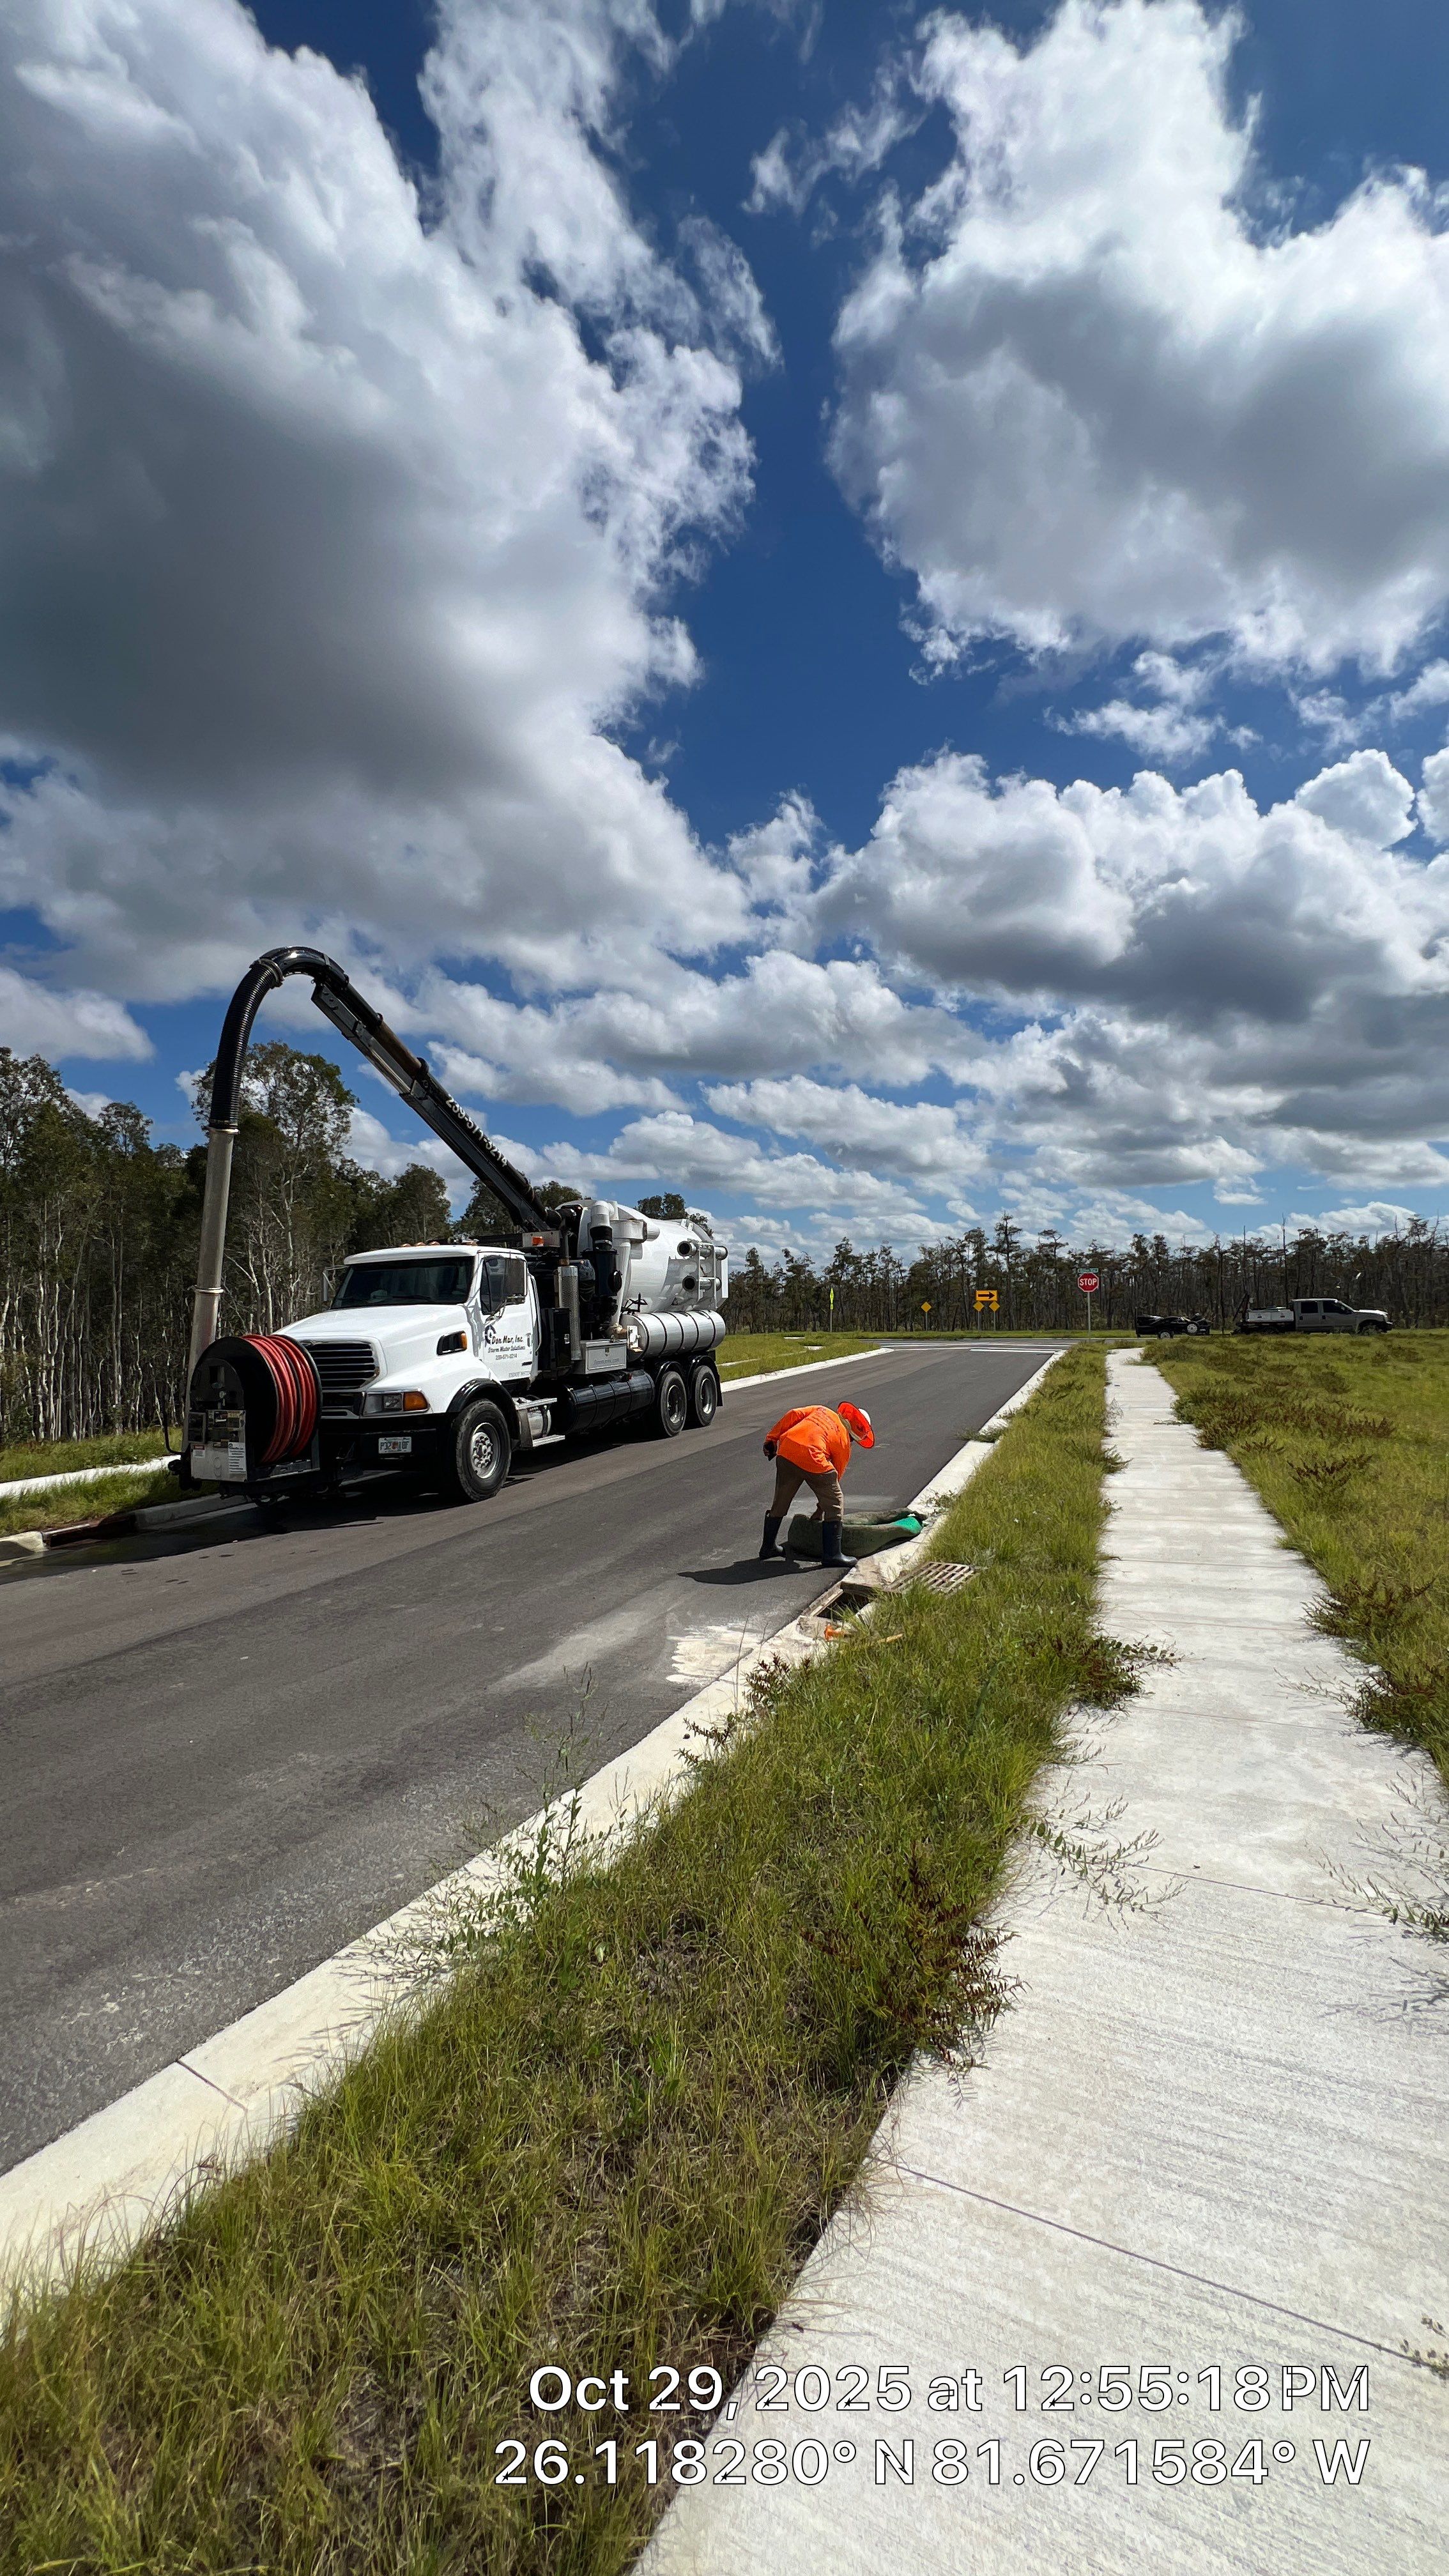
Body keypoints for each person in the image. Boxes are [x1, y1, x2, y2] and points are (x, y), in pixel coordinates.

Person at [758, 1399, 874, 1569]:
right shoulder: (844, 1443)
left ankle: (768, 1548)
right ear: (856, 1436)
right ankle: (832, 1555)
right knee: (835, 1502)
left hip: (787, 1450)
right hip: (814, 1458)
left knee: (781, 1501)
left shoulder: (821, 1410)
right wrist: (821, 1511)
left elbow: (793, 1415)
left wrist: (772, 1439)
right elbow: (834, 1482)